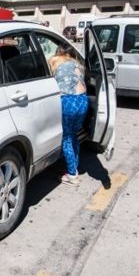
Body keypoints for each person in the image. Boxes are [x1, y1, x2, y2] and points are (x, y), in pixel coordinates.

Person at [48, 45, 88, 187]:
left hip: (68, 100)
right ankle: (74, 168)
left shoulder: (55, 61)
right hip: (83, 100)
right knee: (73, 135)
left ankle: (72, 175)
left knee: (66, 139)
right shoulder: (77, 64)